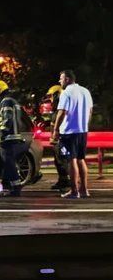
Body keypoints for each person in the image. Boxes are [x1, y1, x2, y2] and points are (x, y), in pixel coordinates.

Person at [52, 70, 93, 199]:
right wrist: (85, 125)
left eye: (61, 78)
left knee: (72, 160)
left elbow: (62, 112)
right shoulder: (85, 91)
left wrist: (56, 129)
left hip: (69, 131)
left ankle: (74, 191)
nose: (59, 81)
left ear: (67, 79)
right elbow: (90, 111)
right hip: (82, 131)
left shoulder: (66, 93)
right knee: (81, 159)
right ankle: (84, 189)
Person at [0, 80, 26, 197]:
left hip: (8, 137)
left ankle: (16, 187)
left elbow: (7, 119)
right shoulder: (12, 100)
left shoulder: (6, 101)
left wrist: (2, 132)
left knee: (8, 164)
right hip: (11, 137)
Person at [47, 84, 70, 192]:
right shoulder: (57, 109)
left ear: (57, 95)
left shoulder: (62, 108)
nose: (50, 99)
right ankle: (62, 180)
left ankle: (66, 181)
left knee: (62, 160)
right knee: (58, 161)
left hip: (62, 138)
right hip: (57, 139)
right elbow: (54, 120)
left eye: (51, 96)